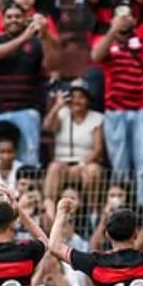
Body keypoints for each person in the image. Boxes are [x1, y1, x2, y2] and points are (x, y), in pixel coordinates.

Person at [92, 0, 143, 212]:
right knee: (120, 166)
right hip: (115, 110)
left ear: (134, 18)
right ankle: (123, 209)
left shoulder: (142, 36)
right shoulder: (103, 38)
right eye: (119, 14)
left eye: (128, 14)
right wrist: (113, 29)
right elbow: (97, 55)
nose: (124, 18)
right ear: (112, 18)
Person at [0, 3, 60, 167]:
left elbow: (51, 65)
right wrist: (24, 37)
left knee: (28, 161)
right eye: (9, 17)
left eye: (18, 16)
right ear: (3, 21)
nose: (13, 20)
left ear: (25, 19)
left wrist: (45, 35)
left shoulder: (37, 43)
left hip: (27, 109)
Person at [42, 79, 104, 209]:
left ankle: (92, 213)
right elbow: (47, 127)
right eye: (74, 97)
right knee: (54, 168)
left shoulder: (96, 118)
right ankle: (48, 211)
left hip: (85, 163)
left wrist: (82, 165)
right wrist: (57, 106)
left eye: (81, 97)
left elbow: (98, 149)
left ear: (88, 100)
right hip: (62, 164)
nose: (77, 101)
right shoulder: (63, 114)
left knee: (92, 171)